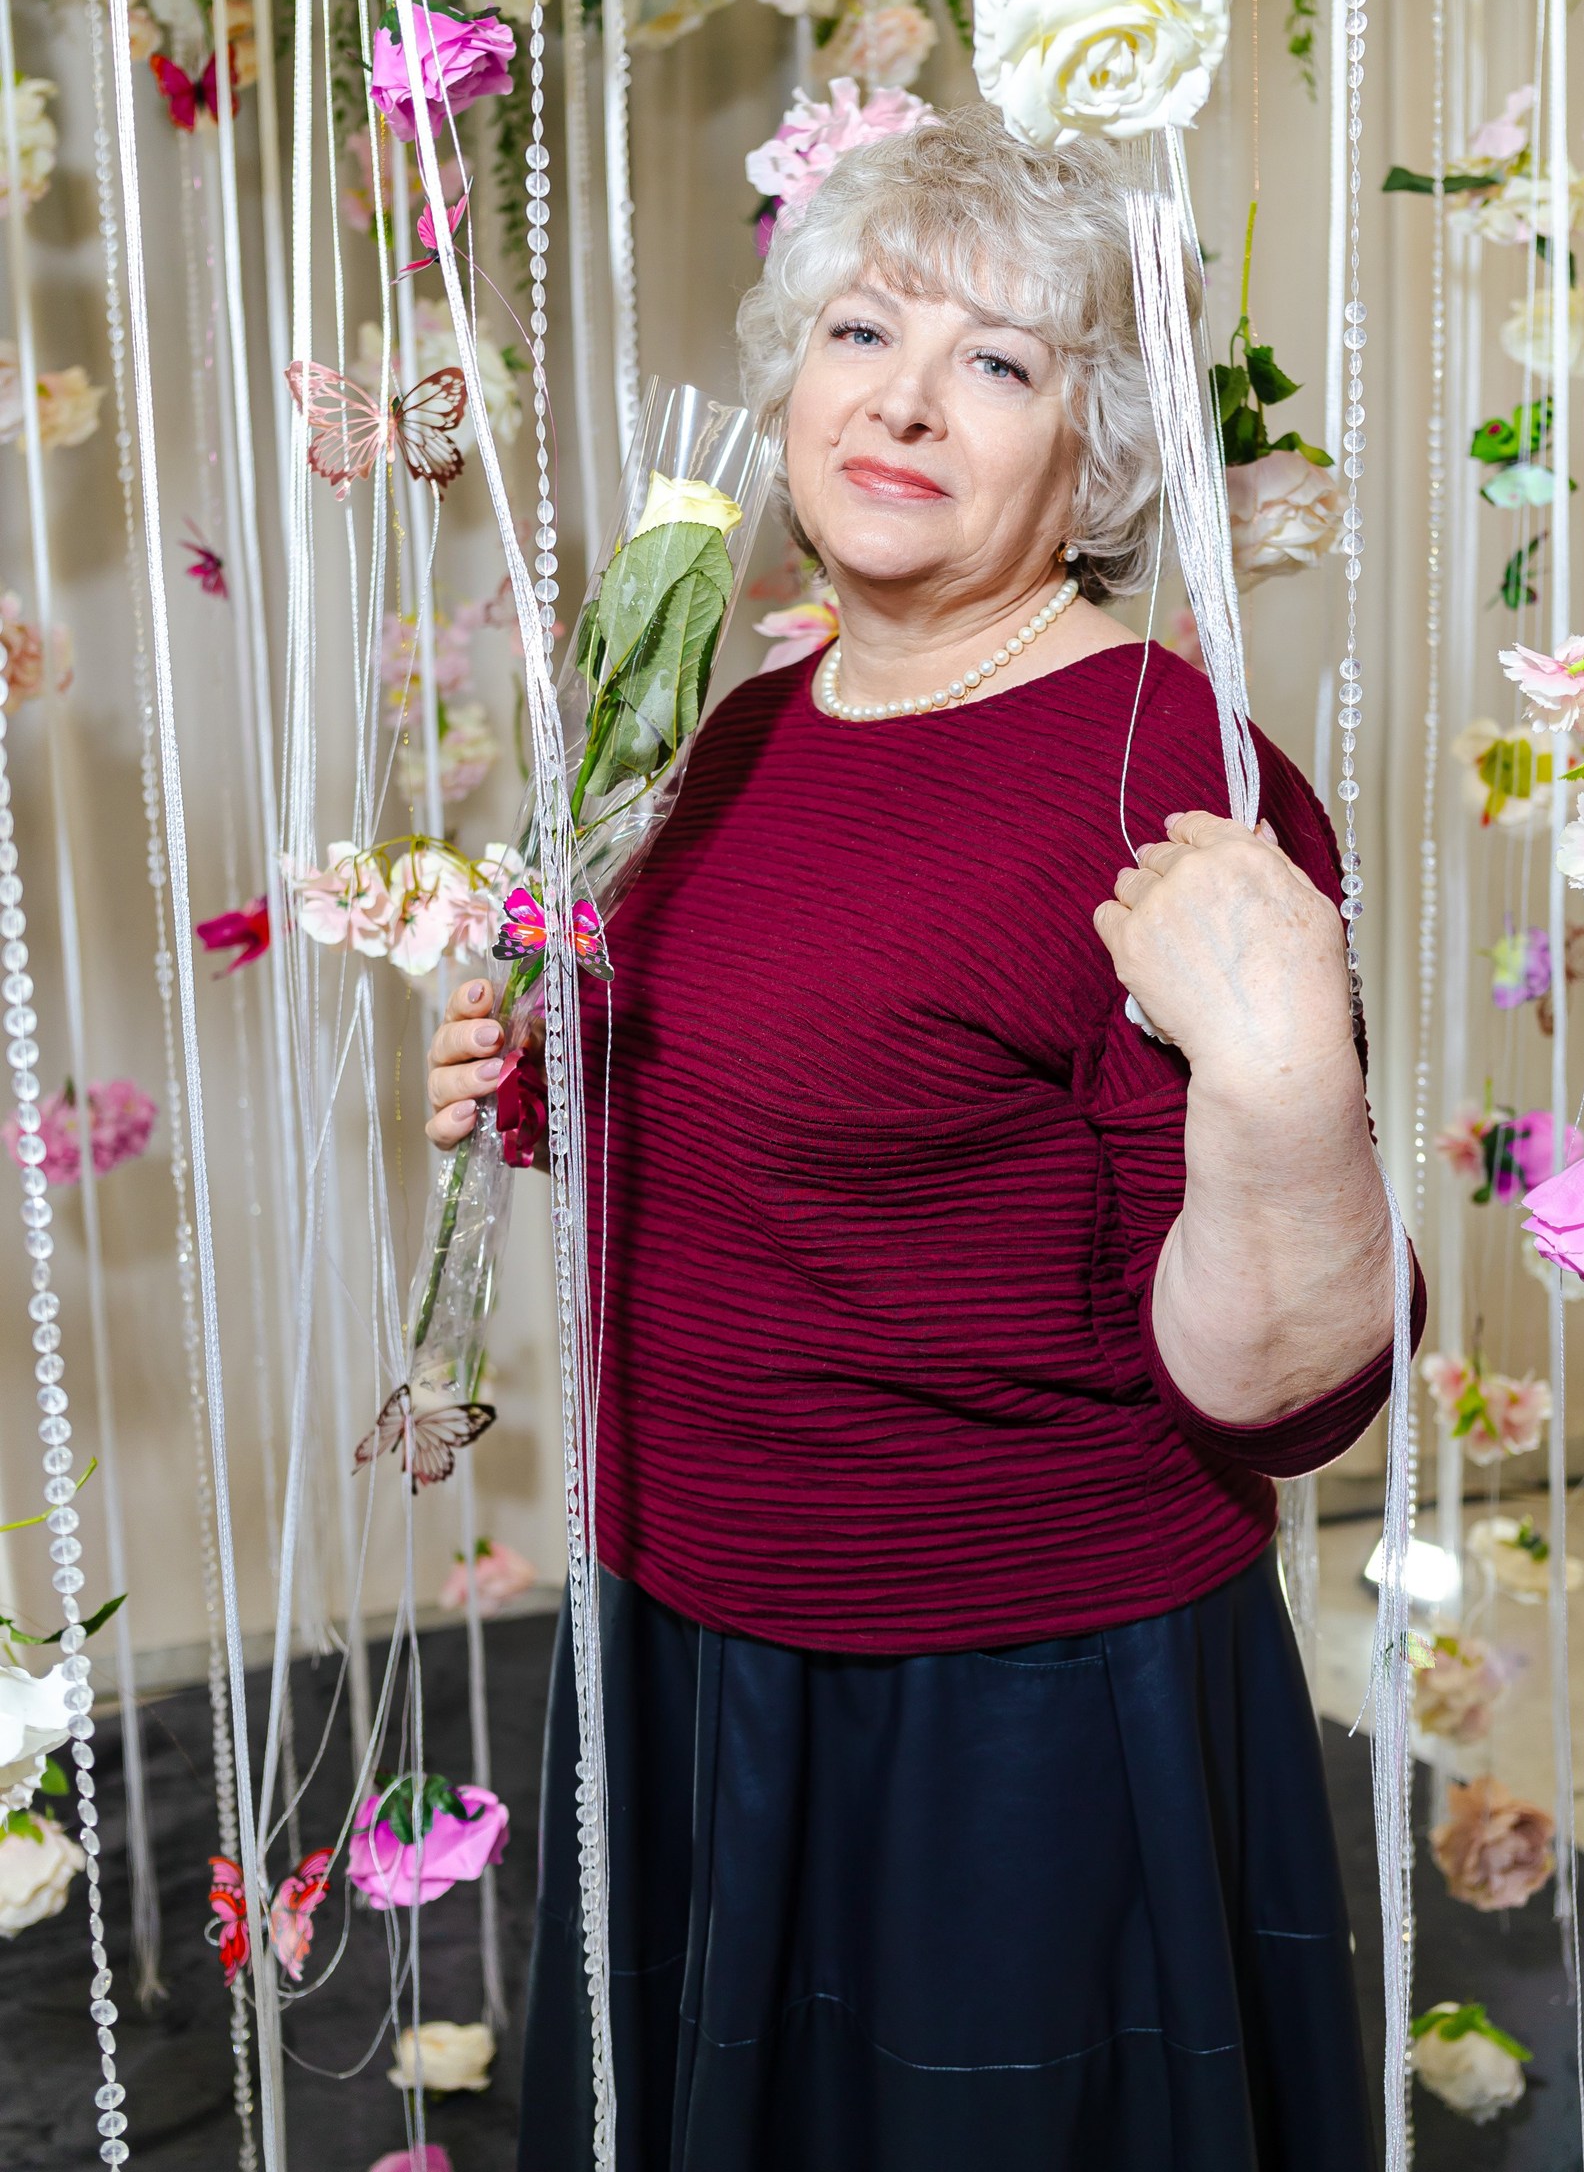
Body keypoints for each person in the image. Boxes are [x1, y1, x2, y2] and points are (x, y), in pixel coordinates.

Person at [426, 107, 1420, 2172]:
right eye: (861, 330)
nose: (898, 401)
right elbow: (792, 1108)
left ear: (1096, 448)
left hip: (1004, 1686)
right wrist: (531, 1071)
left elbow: (1287, 1388)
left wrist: (1282, 1088)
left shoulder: (1165, 777)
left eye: (996, 361)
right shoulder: (746, 724)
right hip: (691, 1614)